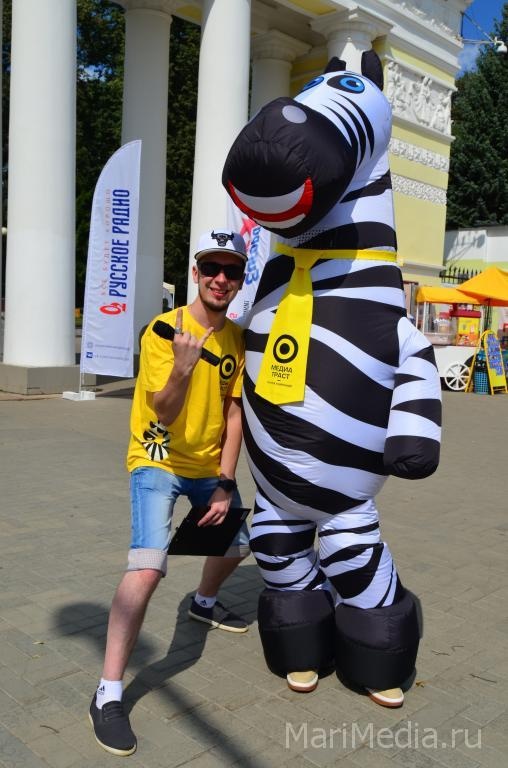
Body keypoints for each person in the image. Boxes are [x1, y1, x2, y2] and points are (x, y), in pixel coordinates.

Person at [90, 228, 250, 756]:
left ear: (239, 279)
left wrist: (225, 482)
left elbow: (233, 412)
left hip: (206, 465)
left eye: (231, 270)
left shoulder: (235, 339)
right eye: (212, 269)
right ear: (196, 273)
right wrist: (182, 366)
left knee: (238, 543)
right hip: (156, 457)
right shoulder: (166, 329)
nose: (221, 279)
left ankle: (203, 602)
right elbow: (162, 408)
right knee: (147, 567)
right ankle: (108, 692)